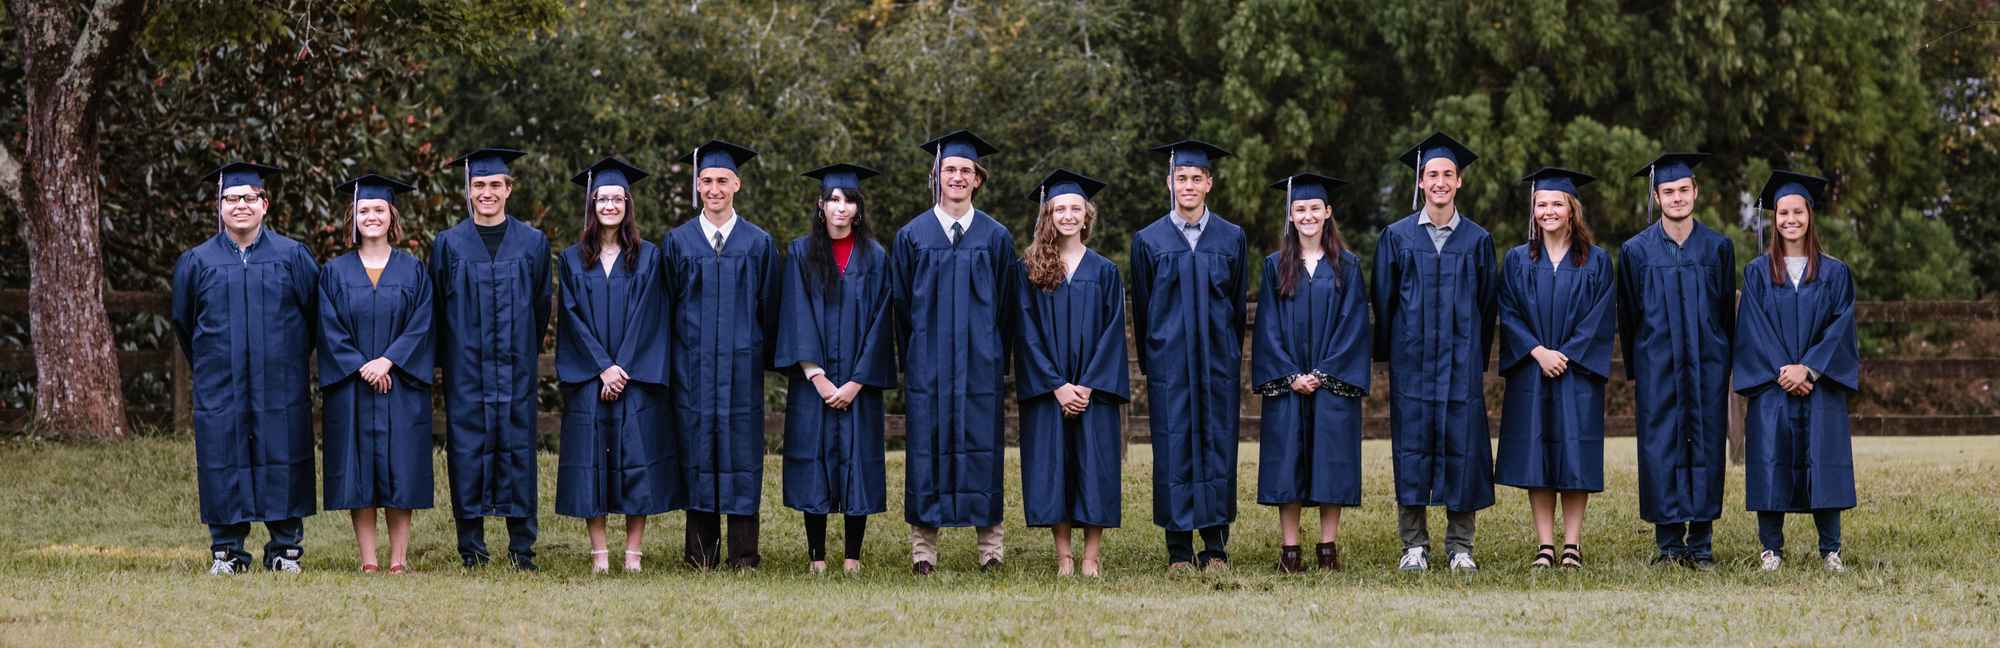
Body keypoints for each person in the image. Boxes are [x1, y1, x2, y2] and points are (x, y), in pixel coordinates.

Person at [172, 161, 319, 575]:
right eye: (231, 198)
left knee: (283, 455)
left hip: (279, 384)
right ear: (219, 205)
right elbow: (185, 323)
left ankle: (285, 549)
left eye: (249, 198)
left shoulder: (293, 256)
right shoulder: (197, 262)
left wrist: (284, 358)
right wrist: (215, 362)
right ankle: (227, 551)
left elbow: (313, 317)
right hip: (222, 385)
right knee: (223, 458)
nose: (240, 205)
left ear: (264, 204)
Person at [889, 129, 1017, 575]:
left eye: (966, 171)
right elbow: (901, 306)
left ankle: (991, 550)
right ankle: (924, 551)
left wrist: (991, 352)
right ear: (937, 176)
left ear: (978, 179)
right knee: (926, 452)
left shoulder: (997, 237)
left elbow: (1006, 305)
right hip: (929, 367)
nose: (958, 177)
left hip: (981, 367)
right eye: (950, 170)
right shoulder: (912, 236)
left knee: (984, 449)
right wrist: (917, 356)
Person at [1373, 132, 1497, 573]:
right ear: (1421, 182)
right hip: (1412, 365)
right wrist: (1393, 359)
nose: (1440, 182)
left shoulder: (1478, 240)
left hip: (1461, 363)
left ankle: (1460, 545)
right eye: (1432, 175)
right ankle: (1414, 544)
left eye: (1448, 174)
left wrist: (1472, 355)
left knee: (1462, 448)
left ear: (1459, 181)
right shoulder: (1396, 237)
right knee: (1412, 448)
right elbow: (1384, 301)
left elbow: (1487, 306)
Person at [1130, 139, 1249, 572]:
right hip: (1170, 366)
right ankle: (1179, 550)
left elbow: (1237, 308)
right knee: (1173, 449)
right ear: (1170, 182)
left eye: (1196, 178)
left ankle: (1215, 548)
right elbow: (1142, 310)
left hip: (1217, 365)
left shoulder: (1232, 238)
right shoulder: (1148, 240)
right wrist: (1155, 360)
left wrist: (1227, 354)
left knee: (1217, 447)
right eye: (1182, 178)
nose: (1189, 186)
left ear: (1209, 183)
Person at [432, 146, 552, 571]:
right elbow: (439, 310)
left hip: (516, 366)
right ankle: (473, 549)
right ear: (469, 190)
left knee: (518, 449)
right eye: (478, 185)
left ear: (508, 189)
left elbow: (541, 306)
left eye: (494, 185)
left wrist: (521, 349)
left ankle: (522, 549)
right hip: (466, 370)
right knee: (467, 450)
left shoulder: (533, 242)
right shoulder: (447, 244)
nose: (487, 192)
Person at [1733, 171, 1859, 573]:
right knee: (1770, 460)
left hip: (1818, 384)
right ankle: (1771, 549)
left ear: (1810, 215)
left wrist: (1810, 368)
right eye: (1783, 212)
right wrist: (1784, 370)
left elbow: (1842, 325)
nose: (1790, 219)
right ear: (1774, 218)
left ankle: (1831, 549)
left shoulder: (1836, 273)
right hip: (1774, 384)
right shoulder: (1756, 272)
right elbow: (1752, 326)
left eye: (1797, 211)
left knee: (1825, 458)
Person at [775, 163, 898, 576]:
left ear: (858, 209)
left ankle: (852, 557)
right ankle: (816, 557)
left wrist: (856, 382)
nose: (840, 208)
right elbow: (796, 314)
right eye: (833, 200)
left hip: (858, 386)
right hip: (816, 383)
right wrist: (820, 378)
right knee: (815, 463)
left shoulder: (877, 258)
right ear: (821, 206)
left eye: (847, 201)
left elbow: (883, 322)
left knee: (856, 462)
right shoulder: (799, 254)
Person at [664, 139, 781, 570]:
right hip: (692, 369)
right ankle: (700, 556)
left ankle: (744, 556)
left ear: (738, 183)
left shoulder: (759, 243)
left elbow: (770, 308)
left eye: (722, 181)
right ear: (697, 186)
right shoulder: (678, 242)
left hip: (741, 368)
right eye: (707, 181)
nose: (715, 189)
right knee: (698, 451)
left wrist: (759, 359)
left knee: (742, 453)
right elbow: (669, 306)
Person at [555, 157, 675, 574]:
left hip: (634, 379)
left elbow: (650, 315)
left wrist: (621, 367)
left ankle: (634, 553)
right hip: (591, 378)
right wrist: (602, 367)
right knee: (593, 464)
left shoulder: (649, 256)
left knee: (635, 461)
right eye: (602, 198)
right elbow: (571, 317)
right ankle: (600, 554)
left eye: (617, 198)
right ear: (591, 205)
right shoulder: (571, 260)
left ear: (628, 203)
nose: (609, 205)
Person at [1494, 168, 1616, 570]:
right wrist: (1536, 350)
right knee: (1537, 456)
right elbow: (1507, 311)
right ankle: (1545, 544)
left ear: (1571, 209)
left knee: (1575, 456)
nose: (1548, 211)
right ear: (1533, 210)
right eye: (1541, 204)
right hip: (1533, 369)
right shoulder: (1516, 259)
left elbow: (1602, 316)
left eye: (1556, 203)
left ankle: (1572, 544)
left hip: (1576, 372)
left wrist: (1567, 353)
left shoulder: (1597, 262)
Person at [1619, 153, 1735, 570]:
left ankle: (1701, 544)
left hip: (1707, 364)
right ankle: (1668, 544)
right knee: (1660, 447)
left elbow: (1725, 311)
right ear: (1657, 196)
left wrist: (1722, 357)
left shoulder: (1719, 248)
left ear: (1695, 192)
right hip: (1658, 366)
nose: (1677, 198)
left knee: (1705, 444)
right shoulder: (1634, 251)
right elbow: (1628, 314)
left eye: (1684, 190)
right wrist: (1640, 366)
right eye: (1668, 192)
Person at [1251, 172, 1371, 574]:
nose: (1307, 215)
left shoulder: (1348, 267)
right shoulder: (1274, 267)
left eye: (1314, 208)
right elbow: (1266, 327)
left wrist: (1323, 373)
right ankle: (1289, 550)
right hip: (1290, 383)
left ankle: (1327, 548)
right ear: (1290, 214)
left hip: (1330, 383)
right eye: (1299, 209)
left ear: (1328, 212)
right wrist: (1290, 375)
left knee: (1331, 460)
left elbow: (1354, 325)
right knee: (1288, 462)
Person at [1014, 169, 1130, 578]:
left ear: (1087, 216)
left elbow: (1114, 332)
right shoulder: (1028, 268)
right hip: (1050, 391)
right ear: (1047, 216)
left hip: (1091, 390)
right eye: (1059, 208)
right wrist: (1057, 386)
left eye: (1074, 208)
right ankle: (1064, 556)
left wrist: (1086, 385)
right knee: (1054, 469)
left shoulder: (1105, 271)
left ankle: (1091, 557)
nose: (1067, 215)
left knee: (1094, 469)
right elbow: (1025, 332)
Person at [318, 173, 433, 574]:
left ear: (391, 215)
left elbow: (422, 323)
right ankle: (369, 561)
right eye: (364, 210)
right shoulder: (334, 272)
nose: (371, 216)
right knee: (359, 472)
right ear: (353, 217)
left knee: (401, 470)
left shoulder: (414, 270)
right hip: (353, 386)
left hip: (400, 383)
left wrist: (389, 360)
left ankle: (398, 560)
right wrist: (361, 366)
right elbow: (327, 326)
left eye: (378, 210)